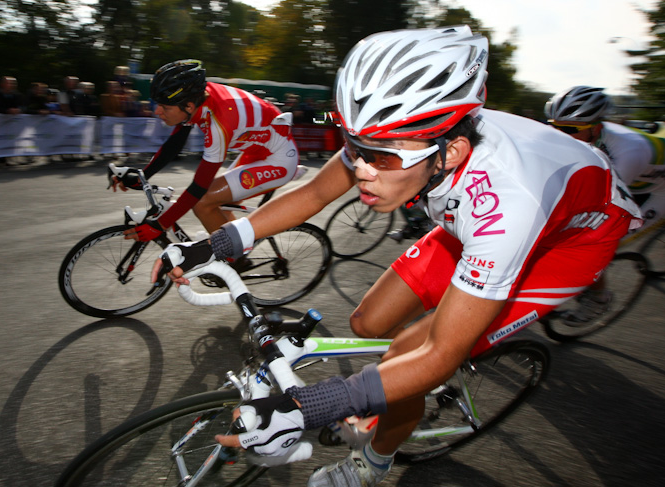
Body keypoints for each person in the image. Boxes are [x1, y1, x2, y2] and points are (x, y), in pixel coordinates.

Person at [150, 27, 641, 487]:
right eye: (354, 147)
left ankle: (372, 463)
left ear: (449, 152)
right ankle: (388, 403)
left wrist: (308, 406)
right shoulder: (401, 135)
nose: (361, 170)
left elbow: (438, 355)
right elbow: (316, 192)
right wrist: (212, 244)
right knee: (369, 322)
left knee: (412, 354)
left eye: (381, 158)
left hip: (570, 242)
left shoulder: (505, 206)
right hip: (469, 214)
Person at [113, 59, 300, 242]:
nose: (157, 112)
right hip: (256, 150)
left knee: (203, 203)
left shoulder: (218, 123)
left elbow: (199, 187)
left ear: (189, 107)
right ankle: (239, 250)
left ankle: (234, 259)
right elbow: (175, 144)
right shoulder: (194, 96)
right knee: (221, 205)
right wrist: (142, 176)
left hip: (279, 159)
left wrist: (161, 225)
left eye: (164, 107)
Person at [545, 86, 665, 324]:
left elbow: (599, 203)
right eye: (553, 126)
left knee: (595, 244)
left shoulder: (630, 152)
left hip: (658, 190)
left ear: (596, 128)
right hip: (638, 180)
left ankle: (599, 299)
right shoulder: (584, 136)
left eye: (569, 129)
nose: (559, 134)